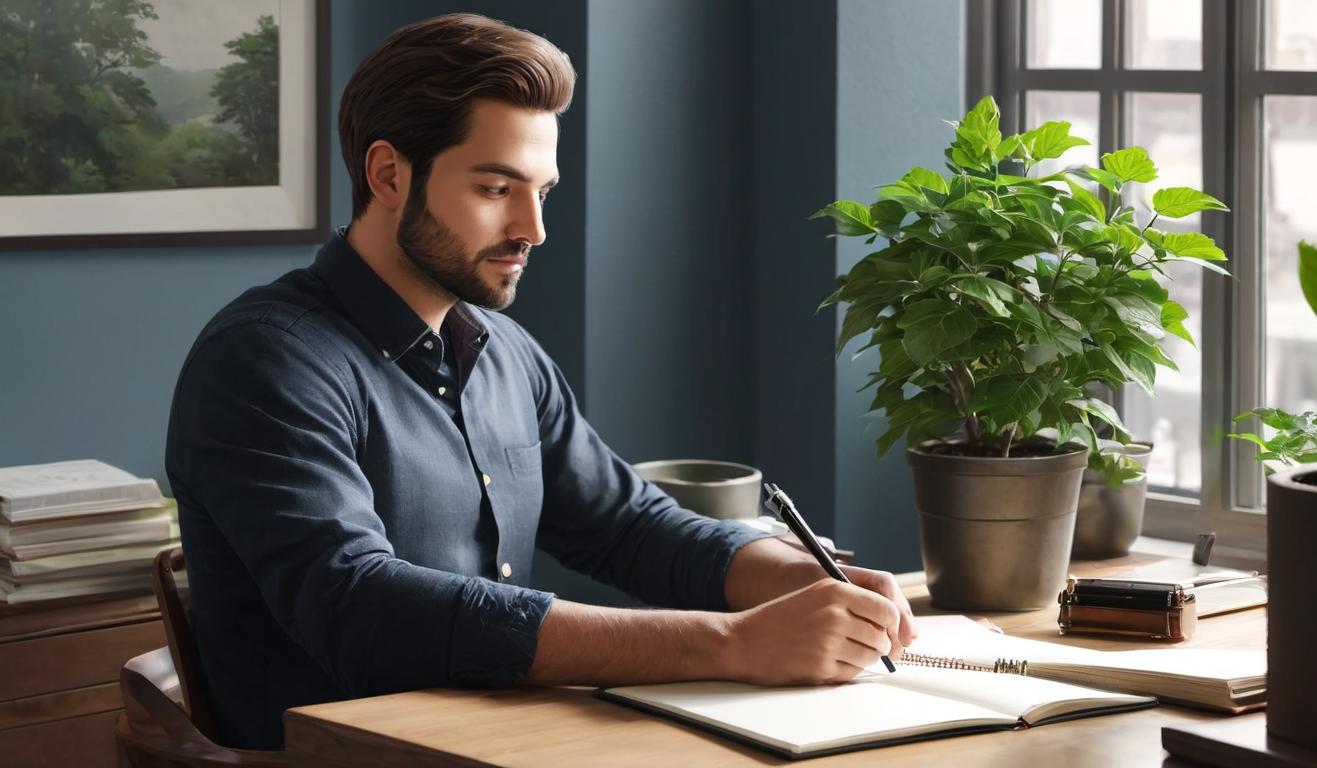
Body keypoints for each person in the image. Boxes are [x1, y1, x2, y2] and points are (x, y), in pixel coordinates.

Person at [165, 13, 917, 750]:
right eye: (497, 189)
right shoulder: (264, 362)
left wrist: (789, 580)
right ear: (389, 175)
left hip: (504, 743)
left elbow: (628, 526)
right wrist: (730, 643)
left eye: (543, 191)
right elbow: (357, 605)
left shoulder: (506, 353)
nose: (534, 228)